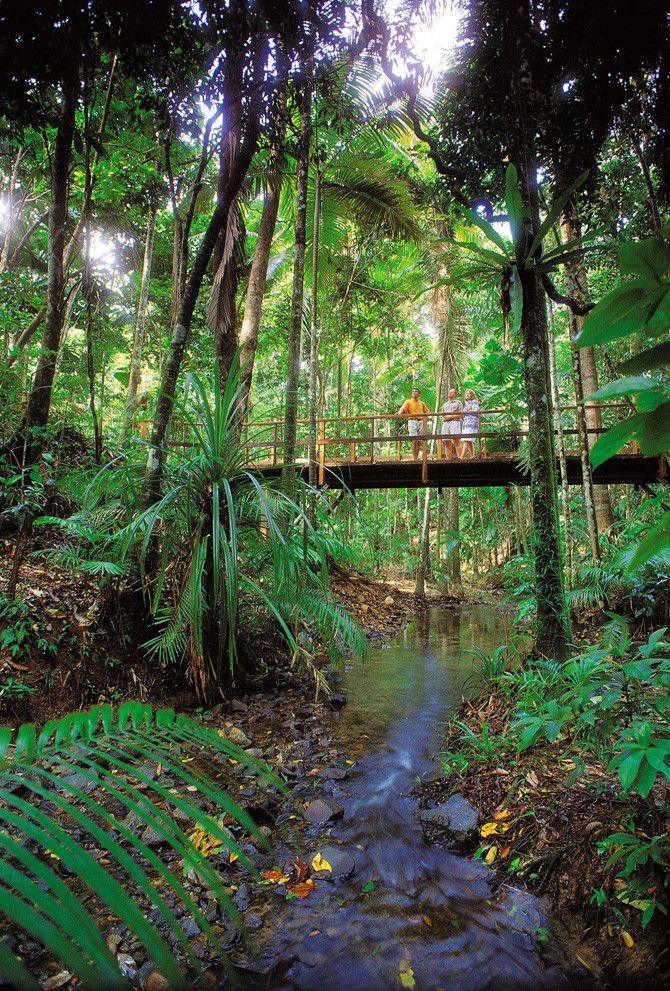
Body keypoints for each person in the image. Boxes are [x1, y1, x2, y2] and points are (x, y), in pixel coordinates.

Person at [396, 386, 430, 460]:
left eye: (416, 391)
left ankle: (423, 458)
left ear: (419, 394)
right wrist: (399, 413)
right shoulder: (408, 401)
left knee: (422, 440)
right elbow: (402, 409)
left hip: (421, 422)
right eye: (413, 391)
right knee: (414, 440)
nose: (414, 392)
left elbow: (428, 412)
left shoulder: (422, 403)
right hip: (412, 421)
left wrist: (424, 419)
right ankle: (414, 458)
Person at [441, 388, 463, 460]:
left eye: (452, 392)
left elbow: (460, 414)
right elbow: (443, 415)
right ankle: (448, 459)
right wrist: (450, 416)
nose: (449, 393)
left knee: (456, 440)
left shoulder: (458, 403)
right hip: (445, 424)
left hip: (455, 422)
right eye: (449, 392)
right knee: (447, 441)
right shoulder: (445, 404)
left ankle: (460, 458)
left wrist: (451, 416)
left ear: (455, 394)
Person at [460, 388, 480, 460]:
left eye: (469, 393)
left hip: (472, 422)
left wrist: (470, 410)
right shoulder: (466, 404)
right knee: (469, 439)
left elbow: (476, 410)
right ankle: (472, 455)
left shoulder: (474, 401)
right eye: (466, 393)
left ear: (472, 395)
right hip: (466, 422)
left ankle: (461, 457)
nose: (468, 395)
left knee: (467, 439)